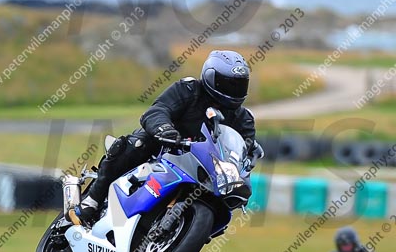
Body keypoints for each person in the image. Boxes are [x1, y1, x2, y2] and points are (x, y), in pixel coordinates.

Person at [69, 49, 260, 227]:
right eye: (227, 84)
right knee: (137, 144)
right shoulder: (188, 89)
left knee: (223, 203)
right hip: (166, 147)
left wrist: (243, 167)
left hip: (204, 167)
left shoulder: (244, 120)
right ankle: (92, 200)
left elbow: (242, 150)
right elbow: (158, 110)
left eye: (239, 85)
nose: (233, 90)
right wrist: (164, 129)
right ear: (210, 77)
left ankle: (187, 230)